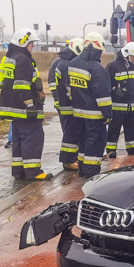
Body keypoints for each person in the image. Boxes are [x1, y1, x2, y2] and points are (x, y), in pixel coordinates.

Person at [0, 28, 52, 180]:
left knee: (18, 141)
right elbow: (22, 85)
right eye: (31, 43)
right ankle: (34, 172)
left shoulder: (12, 58)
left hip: (15, 110)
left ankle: (19, 171)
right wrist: (30, 105)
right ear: (23, 42)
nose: (33, 46)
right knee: (32, 139)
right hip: (24, 109)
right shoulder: (23, 59)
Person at [70, 33, 112, 177]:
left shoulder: (73, 63)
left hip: (78, 113)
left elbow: (69, 89)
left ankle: (82, 169)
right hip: (95, 115)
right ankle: (91, 173)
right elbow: (103, 96)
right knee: (95, 144)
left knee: (82, 141)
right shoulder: (97, 68)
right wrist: (108, 115)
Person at [48, 38, 84, 170]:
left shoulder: (64, 62)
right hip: (69, 105)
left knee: (72, 131)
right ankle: (68, 161)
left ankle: (73, 157)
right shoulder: (66, 64)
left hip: (67, 104)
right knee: (70, 132)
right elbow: (69, 87)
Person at [106, 42, 134, 158]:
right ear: (126, 54)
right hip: (117, 106)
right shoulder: (112, 66)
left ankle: (132, 149)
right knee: (114, 129)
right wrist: (115, 90)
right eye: (133, 57)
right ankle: (111, 151)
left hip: (131, 106)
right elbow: (106, 84)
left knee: (131, 128)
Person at [0, 44, 13, 148]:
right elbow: (0, 74)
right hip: (9, 91)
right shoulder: (5, 59)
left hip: (19, 91)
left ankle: (12, 139)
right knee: (14, 116)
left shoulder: (24, 58)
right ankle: (11, 139)